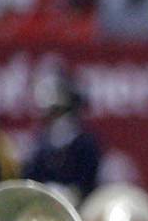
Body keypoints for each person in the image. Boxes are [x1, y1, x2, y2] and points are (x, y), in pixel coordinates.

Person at [22, 72, 100, 203]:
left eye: (60, 111)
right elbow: (30, 176)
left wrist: (72, 193)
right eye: (51, 113)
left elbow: (89, 180)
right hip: (44, 208)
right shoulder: (39, 144)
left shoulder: (86, 143)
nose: (57, 119)